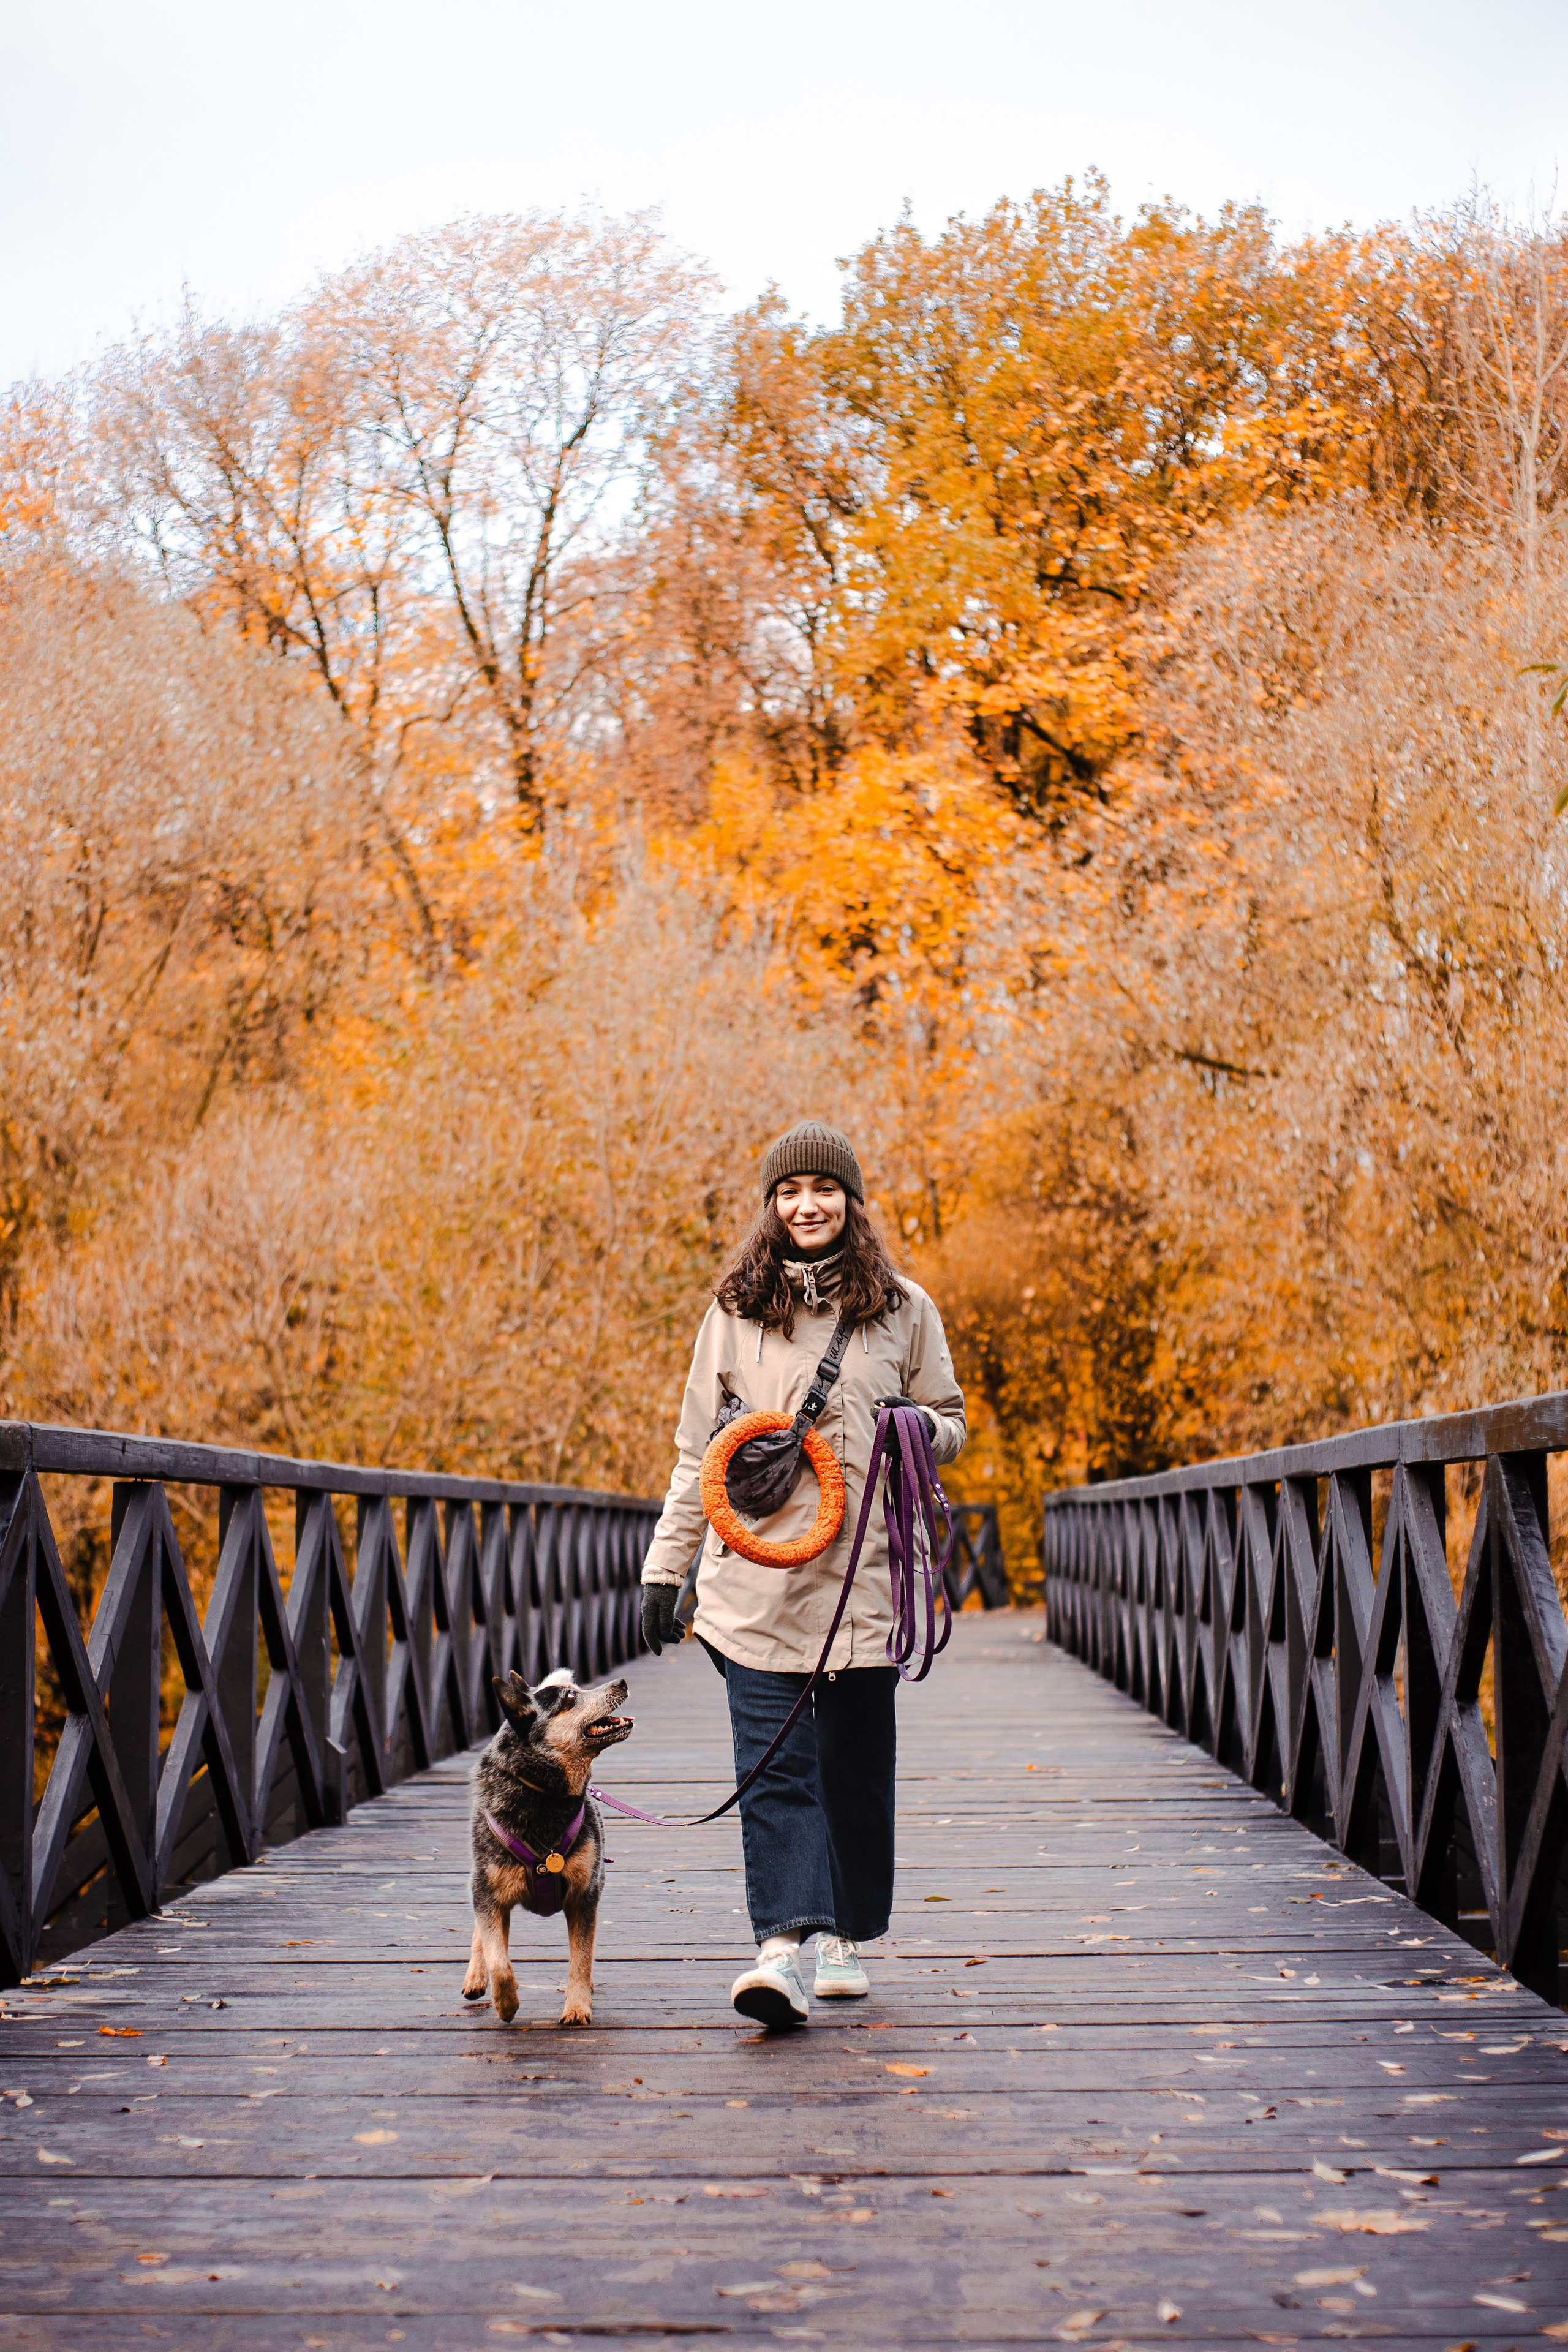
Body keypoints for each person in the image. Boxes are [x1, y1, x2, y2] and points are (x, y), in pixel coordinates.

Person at [639, 1120, 966, 2027]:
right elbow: (693, 1453)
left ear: (850, 1202)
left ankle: (844, 1936)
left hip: (865, 1581)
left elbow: (952, 1420)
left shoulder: (904, 1308)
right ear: (771, 1207)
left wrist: (915, 1425)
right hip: (754, 1583)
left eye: (823, 1189)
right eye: (789, 1192)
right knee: (776, 1765)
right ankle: (781, 1948)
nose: (806, 1204)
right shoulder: (735, 1310)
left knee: (856, 1771)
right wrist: (666, 1569)